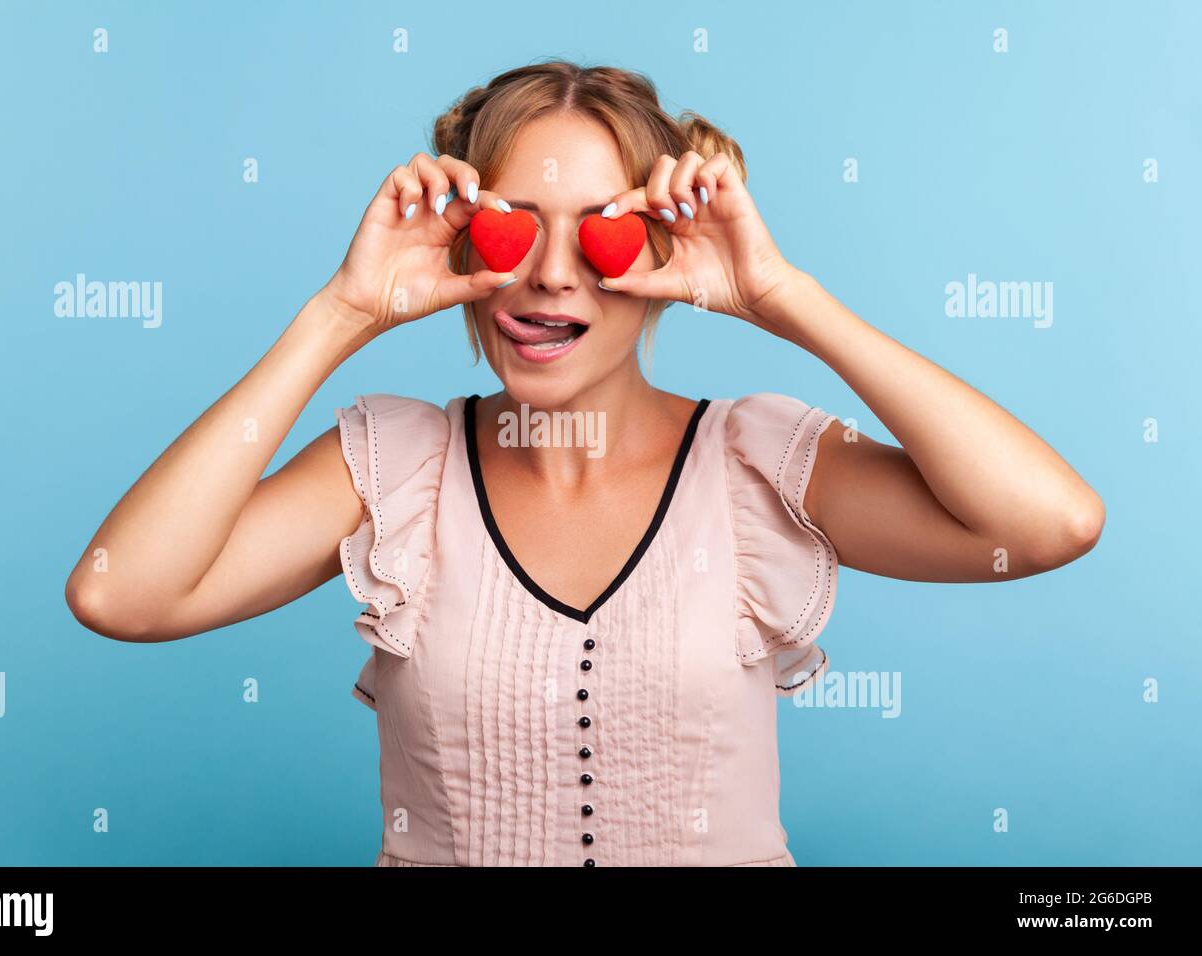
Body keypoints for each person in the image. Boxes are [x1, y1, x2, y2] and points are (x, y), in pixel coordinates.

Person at [65, 61, 1104, 866]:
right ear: (466, 248)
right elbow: (122, 595)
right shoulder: (395, 464)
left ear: (658, 245)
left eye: (599, 235)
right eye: (513, 229)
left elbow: (1049, 524)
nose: (552, 275)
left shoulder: (754, 459)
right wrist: (339, 313)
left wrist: (781, 296)